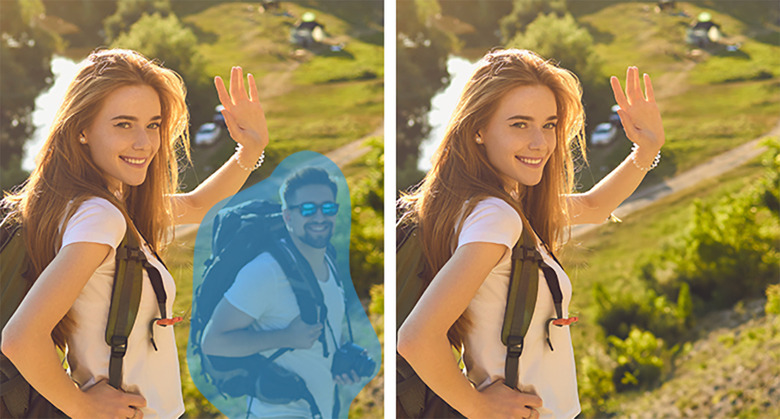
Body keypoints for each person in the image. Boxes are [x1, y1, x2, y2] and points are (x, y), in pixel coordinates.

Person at [396, 49, 665, 418]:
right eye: (519, 124)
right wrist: (476, 406)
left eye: (549, 124)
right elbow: (416, 338)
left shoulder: (482, 204)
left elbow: (594, 206)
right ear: (478, 130)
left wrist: (646, 148)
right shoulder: (495, 217)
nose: (540, 143)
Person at [1, 48, 269, 419]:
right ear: (82, 130)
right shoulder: (100, 217)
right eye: (123, 124)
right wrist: (80, 406)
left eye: (153, 124)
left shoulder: (87, 205)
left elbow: (196, 205)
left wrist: (250, 148)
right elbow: (20, 338)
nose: (144, 143)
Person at [199, 167, 372, 418]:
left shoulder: (329, 263)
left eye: (328, 208)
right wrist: (285, 337)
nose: (319, 217)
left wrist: (341, 360)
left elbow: (324, 328)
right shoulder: (265, 272)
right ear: (287, 216)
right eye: (308, 209)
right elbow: (212, 342)